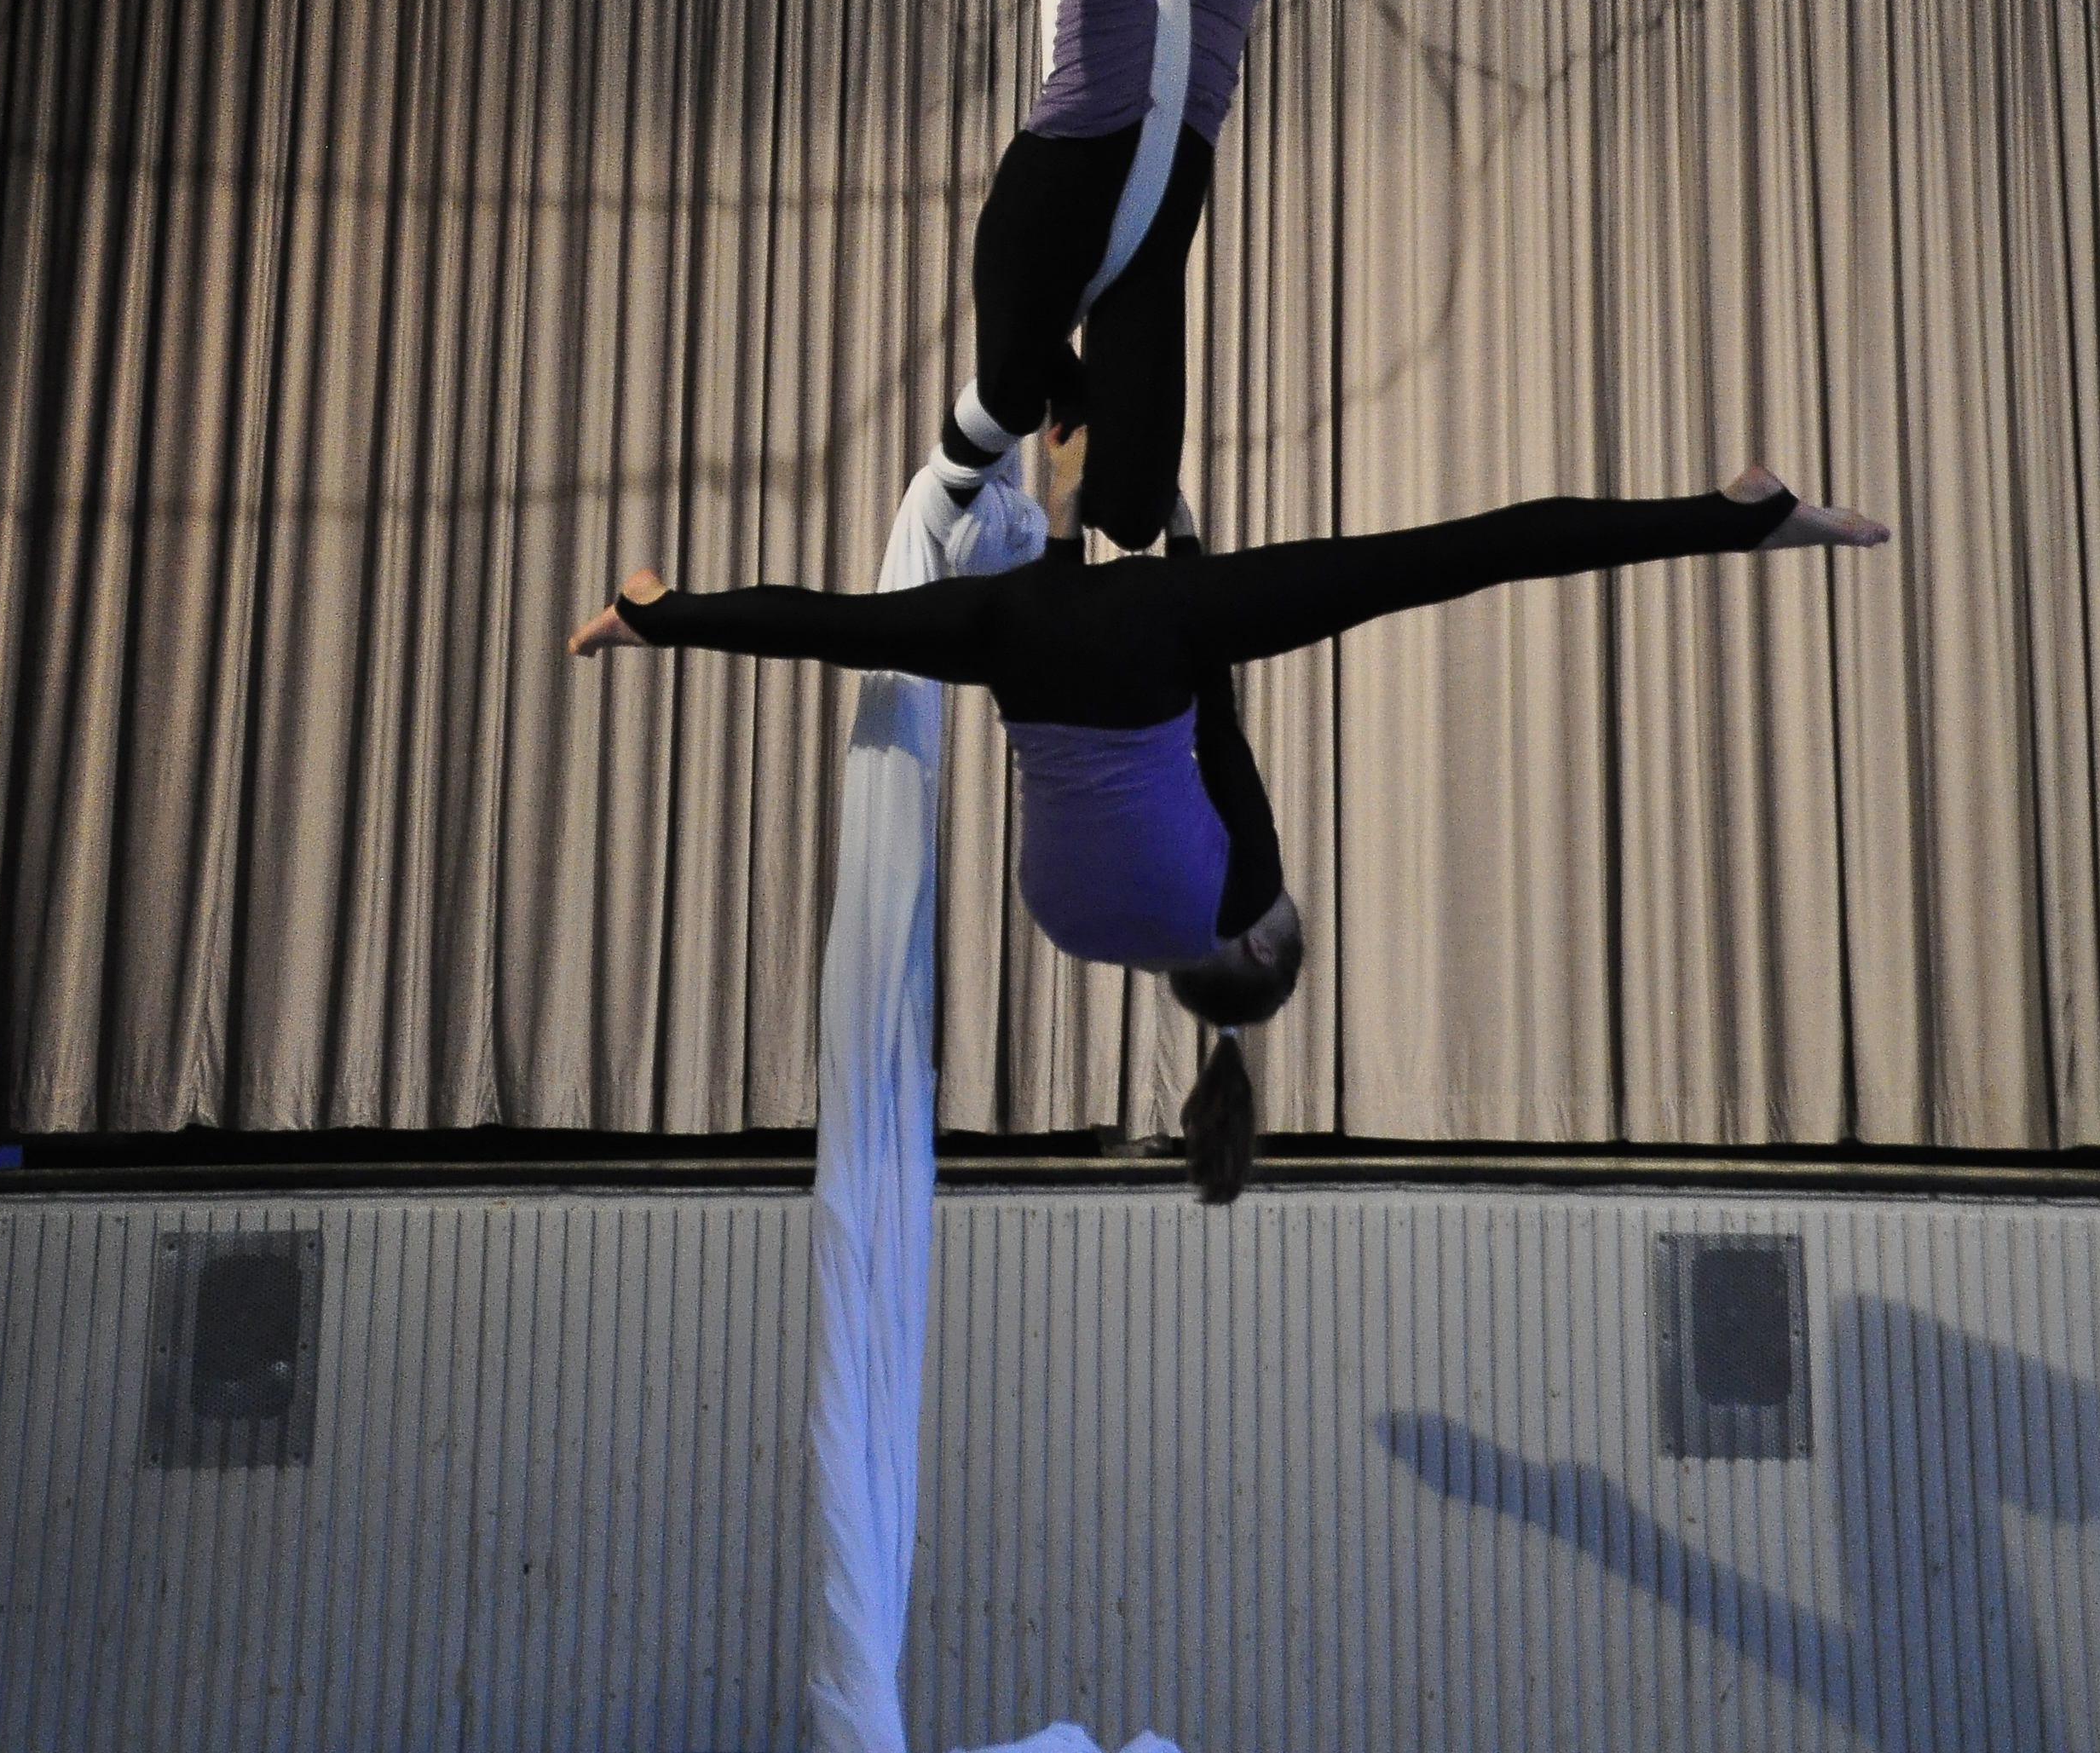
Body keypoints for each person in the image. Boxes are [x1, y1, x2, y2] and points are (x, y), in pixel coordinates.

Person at [570, 458, 1891, 1202]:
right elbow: (1089, 764)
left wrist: (1194, 566)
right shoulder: (1084, 933)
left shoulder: (1234, 896)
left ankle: (1740, 519)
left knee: (1461, 553)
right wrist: (1093, 565)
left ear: (1260, 946)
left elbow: (1220, 722)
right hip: (1019, 641)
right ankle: (656, 616)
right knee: (837, 628)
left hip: (1150, 638)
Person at [686, 0, 1620, 552]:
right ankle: (989, 461)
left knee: (1132, 514)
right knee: (1011, 397)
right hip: (1054, 190)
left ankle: (1091, 456)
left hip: (1158, 219)